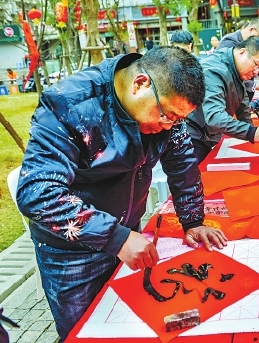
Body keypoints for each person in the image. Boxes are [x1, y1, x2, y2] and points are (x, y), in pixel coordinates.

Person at [16, 46, 228, 342]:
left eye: (178, 120)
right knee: (88, 333)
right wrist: (115, 238)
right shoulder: (69, 105)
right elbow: (37, 194)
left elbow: (182, 163)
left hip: (128, 233)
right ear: (140, 84)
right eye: (167, 115)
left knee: (136, 324)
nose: (169, 125)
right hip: (73, 253)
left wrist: (193, 221)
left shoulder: (165, 109)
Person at [186, 36, 259, 163]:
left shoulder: (235, 66)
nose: (257, 72)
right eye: (256, 64)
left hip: (210, 135)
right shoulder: (214, 70)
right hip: (193, 138)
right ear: (242, 52)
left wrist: (250, 129)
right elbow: (215, 117)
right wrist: (250, 132)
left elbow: (242, 98)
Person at [217, 18, 259, 99]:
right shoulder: (229, 42)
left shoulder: (255, 49)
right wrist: (255, 85)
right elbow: (230, 76)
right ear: (241, 52)